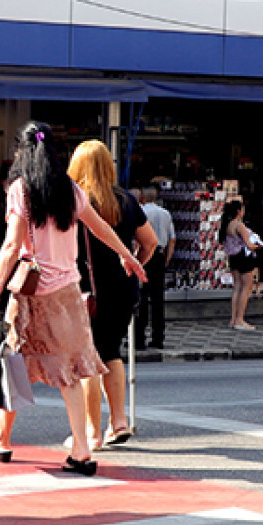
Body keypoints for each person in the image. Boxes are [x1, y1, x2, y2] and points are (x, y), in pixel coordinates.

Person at [0, 122, 147, 475]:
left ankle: (0, 438)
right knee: (70, 371)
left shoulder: (20, 190)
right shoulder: (70, 190)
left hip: (29, 293)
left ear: (22, 153)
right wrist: (127, 255)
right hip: (69, 292)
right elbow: (100, 226)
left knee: (14, 363)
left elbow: (12, 245)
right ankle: (82, 450)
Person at [68, 141, 155, 450]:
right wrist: (135, 265)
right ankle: (118, 421)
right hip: (123, 288)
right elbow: (151, 242)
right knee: (111, 351)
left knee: (87, 358)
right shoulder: (126, 200)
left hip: (87, 291)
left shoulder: (76, 200)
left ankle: (91, 432)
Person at [134, 187, 175, 350]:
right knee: (158, 299)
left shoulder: (141, 211)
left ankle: (139, 338)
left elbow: (137, 237)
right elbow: (172, 239)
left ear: (143, 197)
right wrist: (167, 259)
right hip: (160, 254)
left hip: (145, 253)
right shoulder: (165, 213)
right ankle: (158, 337)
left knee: (141, 298)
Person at [222, 199, 258, 331]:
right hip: (244, 257)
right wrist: (257, 246)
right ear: (239, 211)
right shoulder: (239, 225)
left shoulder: (228, 225)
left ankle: (233, 319)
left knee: (237, 287)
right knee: (246, 288)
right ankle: (240, 319)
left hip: (234, 258)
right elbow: (248, 244)